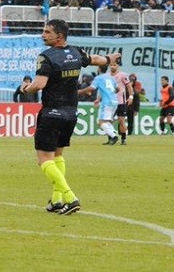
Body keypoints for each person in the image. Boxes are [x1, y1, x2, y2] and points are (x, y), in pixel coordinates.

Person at [23, 19, 121, 216]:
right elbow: (96, 60)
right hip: (71, 113)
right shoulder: (75, 52)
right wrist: (109, 58)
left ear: (59, 36)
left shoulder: (46, 57)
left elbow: (40, 84)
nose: (43, 35)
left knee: (43, 159)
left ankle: (70, 197)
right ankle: (57, 200)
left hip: (51, 113)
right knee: (57, 156)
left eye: (47, 32)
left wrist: (26, 88)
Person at [78, 65, 120, 145]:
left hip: (107, 102)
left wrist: (80, 91)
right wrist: (101, 97)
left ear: (99, 69)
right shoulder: (111, 77)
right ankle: (111, 137)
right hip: (114, 101)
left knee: (101, 122)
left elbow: (92, 88)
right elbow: (117, 89)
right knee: (108, 121)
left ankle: (114, 136)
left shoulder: (99, 78)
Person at [109, 62, 134, 145]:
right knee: (108, 121)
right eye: (111, 65)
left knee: (121, 121)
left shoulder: (123, 75)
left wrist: (130, 97)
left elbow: (129, 86)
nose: (112, 67)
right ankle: (111, 139)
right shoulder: (107, 76)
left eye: (114, 65)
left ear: (118, 66)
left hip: (120, 102)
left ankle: (123, 139)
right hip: (109, 102)